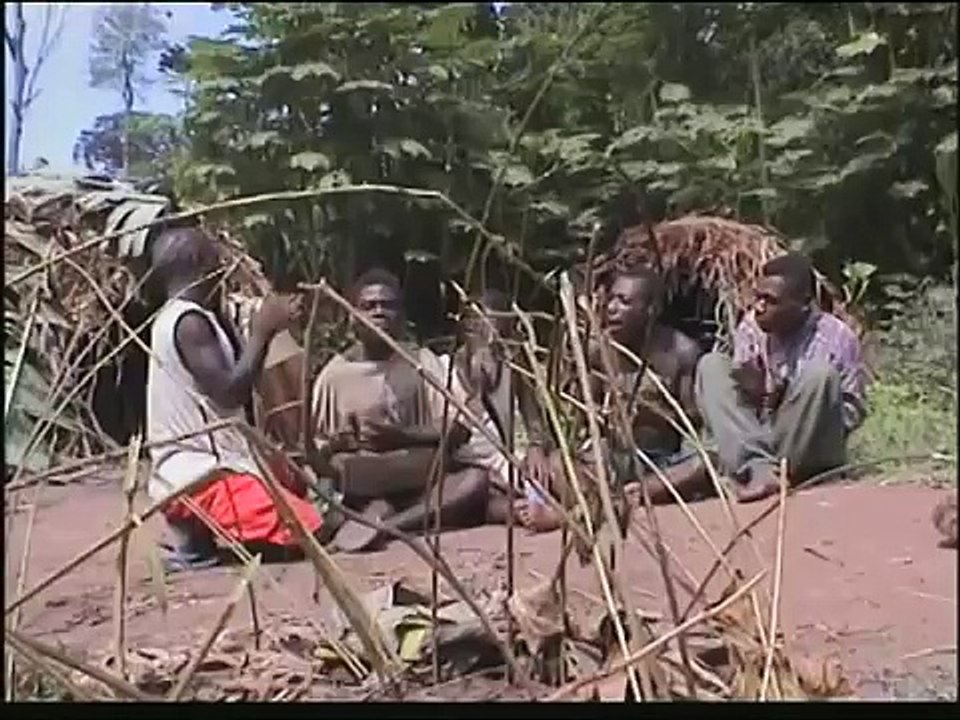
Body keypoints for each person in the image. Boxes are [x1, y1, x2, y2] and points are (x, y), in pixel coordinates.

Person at [146, 226, 322, 571]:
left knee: (293, 477)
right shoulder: (189, 323)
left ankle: (200, 538)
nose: (221, 267)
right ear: (200, 261)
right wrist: (262, 332)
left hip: (209, 466)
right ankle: (202, 527)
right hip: (201, 477)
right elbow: (230, 393)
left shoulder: (190, 318)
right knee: (311, 528)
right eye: (215, 259)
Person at [515, 267, 709, 533]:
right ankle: (600, 506)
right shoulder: (598, 350)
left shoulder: (681, 353)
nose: (612, 309)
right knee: (559, 462)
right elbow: (584, 412)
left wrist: (656, 417)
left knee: (700, 466)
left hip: (663, 460)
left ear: (650, 310)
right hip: (614, 457)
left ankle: (584, 512)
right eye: (611, 299)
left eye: (624, 302)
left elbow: (694, 424)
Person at [309, 268, 488, 553]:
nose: (379, 312)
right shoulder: (334, 376)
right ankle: (375, 514)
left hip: (417, 479)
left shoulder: (420, 362)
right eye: (369, 306)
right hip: (364, 480)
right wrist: (340, 444)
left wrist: (401, 437)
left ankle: (388, 526)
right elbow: (317, 457)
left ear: (402, 316)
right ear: (353, 316)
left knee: (474, 482)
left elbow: (458, 431)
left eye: (388, 305)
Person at [695, 253, 866, 503]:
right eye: (758, 297)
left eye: (771, 301)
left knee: (819, 377)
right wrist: (756, 394)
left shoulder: (837, 337)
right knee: (712, 365)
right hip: (757, 437)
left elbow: (852, 413)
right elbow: (741, 411)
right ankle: (759, 468)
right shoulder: (751, 328)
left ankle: (756, 469)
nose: (759, 307)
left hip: (806, 445)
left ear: (804, 303)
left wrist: (797, 400)